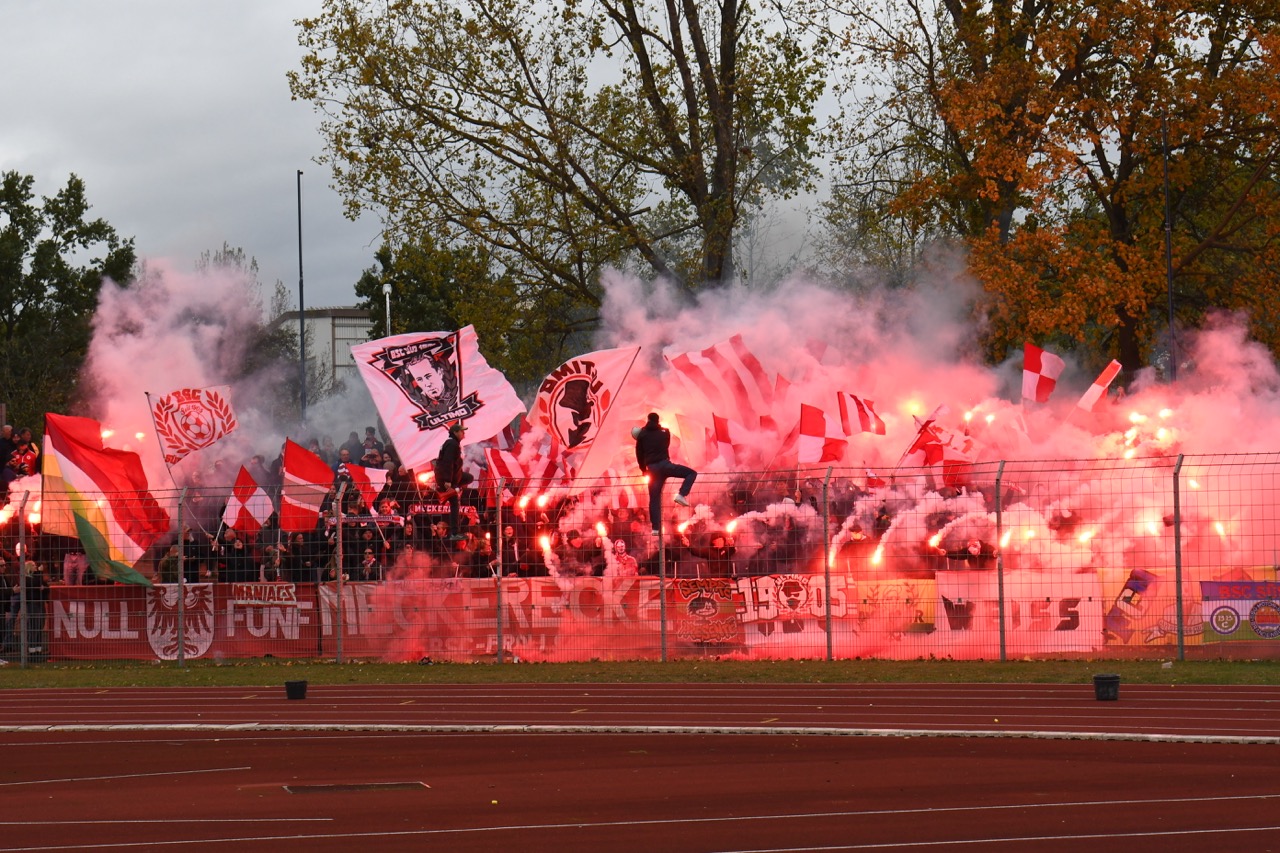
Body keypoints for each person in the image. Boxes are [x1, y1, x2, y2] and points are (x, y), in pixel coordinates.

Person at [631, 412, 697, 533]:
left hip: (652, 469)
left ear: (648, 419)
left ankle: (655, 528)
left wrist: (643, 470)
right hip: (665, 465)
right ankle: (681, 494)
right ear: (658, 420)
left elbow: (639, 454)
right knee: (691, 473)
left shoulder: (642, 435)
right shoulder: (665, 432)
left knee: (654, 498)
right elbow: (665, 443)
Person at [434, 421, 473, 540]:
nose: (464, 434)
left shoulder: (453, 444)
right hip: (447, 479)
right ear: (455, 432)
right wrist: (447, 481)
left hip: (453, 477)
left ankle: (454, 489)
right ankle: (455, 533)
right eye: (462, 431)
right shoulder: (452, 445)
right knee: (455, 504)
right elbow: (448, 463)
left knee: (469, 478)